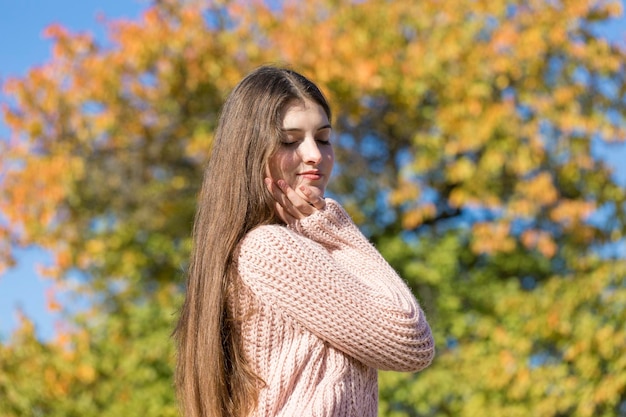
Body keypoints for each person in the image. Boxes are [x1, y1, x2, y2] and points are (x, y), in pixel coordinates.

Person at [174, 66, 435, 417]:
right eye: (289, 140)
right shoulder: (270, 249)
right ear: (250, 154)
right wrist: (335, 229)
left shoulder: (265, 250)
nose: (314, 154)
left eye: (323, 138)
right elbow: (411, 342)